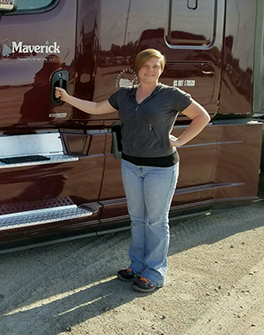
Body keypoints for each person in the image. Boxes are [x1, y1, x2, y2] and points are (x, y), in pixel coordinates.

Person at [55, 49, 210, 293]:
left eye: (156, 66)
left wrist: (180, 141)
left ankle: (155, 273)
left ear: (161, 70)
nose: (151, 70)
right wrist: (66, 97)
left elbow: (202, 116)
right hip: (131, 164)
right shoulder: (124, 95)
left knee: (156, 221)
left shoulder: (171, 95)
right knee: (137, 218)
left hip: (161, 168)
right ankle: (137, 266)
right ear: (137, 68)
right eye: (146, 66)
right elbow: (96, 107)